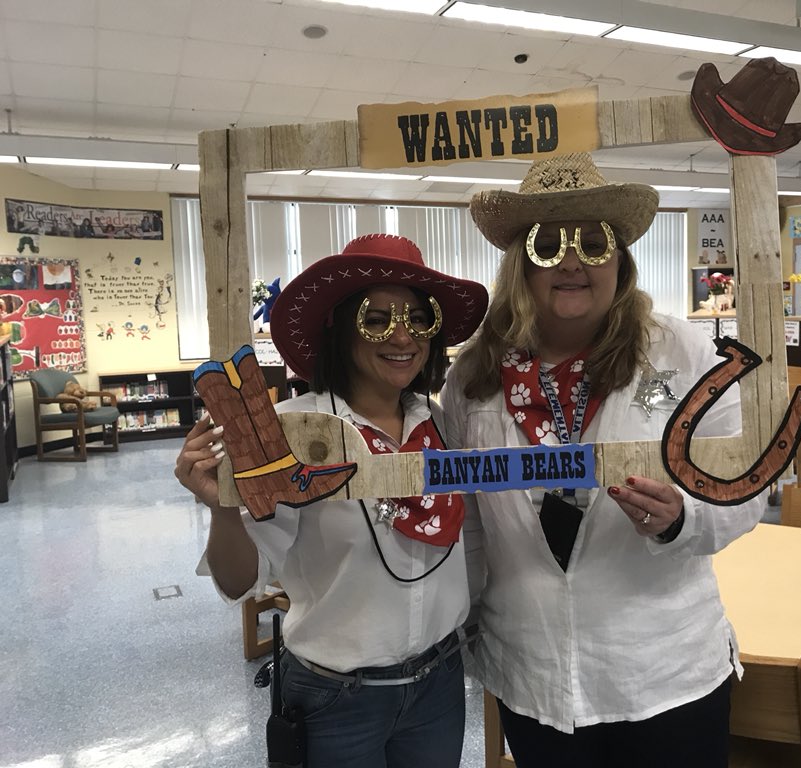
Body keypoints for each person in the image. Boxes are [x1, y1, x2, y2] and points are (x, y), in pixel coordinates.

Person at [441, 153, 766, 768]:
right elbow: (471, 526)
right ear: (519, 265)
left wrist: (683, 519)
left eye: (593, 244)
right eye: (547, 246)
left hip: (663, 671)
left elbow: (744, 487)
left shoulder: (680, 353)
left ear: (621, 260)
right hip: (532, 667)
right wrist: (461, 625)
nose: (571, 262)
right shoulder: (475, 376)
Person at [174, 234, 488, 768]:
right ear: (341, 330)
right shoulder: (295, 434)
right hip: (336, 696)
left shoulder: (446, 425)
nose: (401, 336)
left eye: (418, 318)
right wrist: (222, 506)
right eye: (376, 319)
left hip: (439, 684)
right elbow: (238, 581)